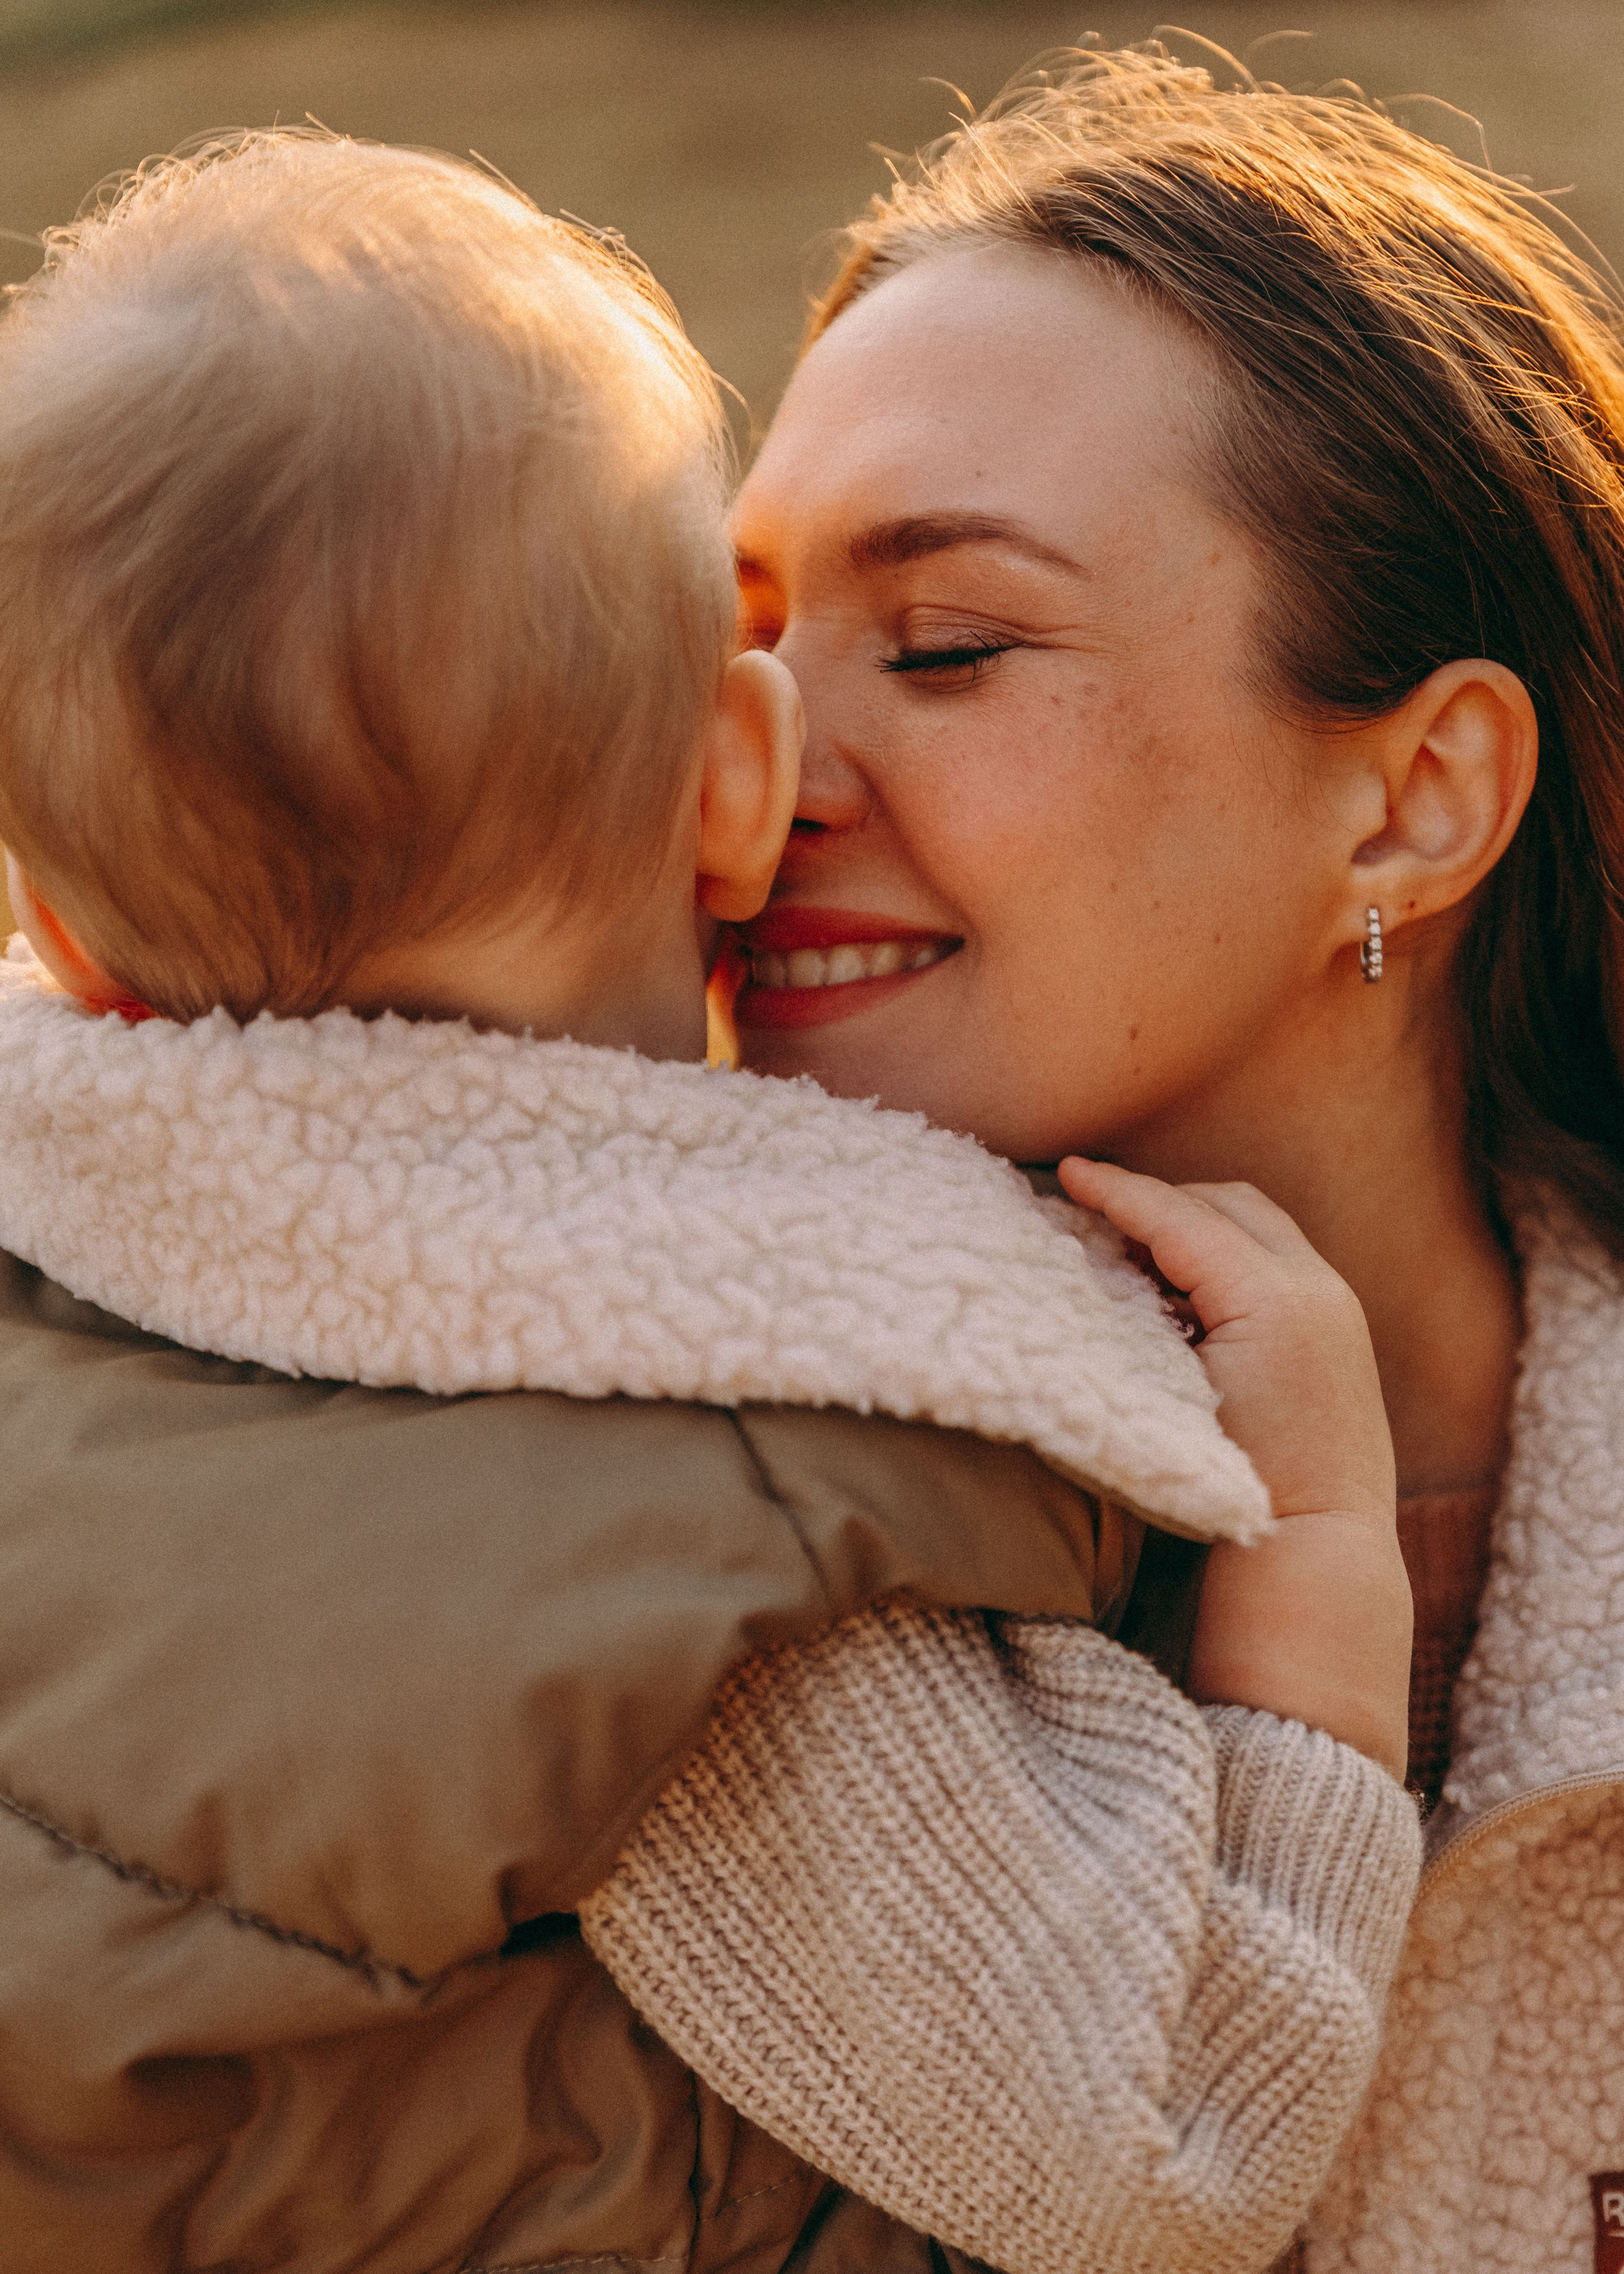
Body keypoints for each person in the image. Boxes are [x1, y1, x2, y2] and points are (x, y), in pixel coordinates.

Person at [0, 126, 1420, 2274]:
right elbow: (1157, 2151)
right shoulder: (710, 1495)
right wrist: (1317, 1584)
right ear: (734, 788)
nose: (838, 755)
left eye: (944, 643)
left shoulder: (78, 1330)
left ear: (62, 936)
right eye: (768, 641)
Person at [724, 34, 1624, 2274]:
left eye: (948, 645)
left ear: (1412, 804)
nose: (758, 773)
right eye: (728, 649)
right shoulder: (606, 1535)